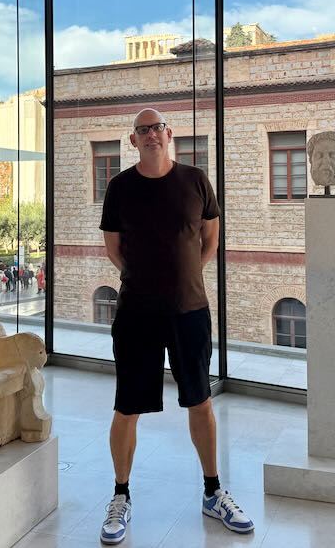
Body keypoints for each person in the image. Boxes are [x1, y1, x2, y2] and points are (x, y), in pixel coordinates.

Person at [97, 108, 253, 545]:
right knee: (127, 406)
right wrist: (145, 278)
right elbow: (114, 247)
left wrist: (183, 276)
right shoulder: (120, 188)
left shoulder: (196, 180)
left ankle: (212, 491)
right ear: (133, 141)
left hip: (190, 311)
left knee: (200, 401)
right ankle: (121, 496)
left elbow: (210, 238)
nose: (151, 135)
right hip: (136, 314)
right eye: (142, 130)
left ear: (170, 134)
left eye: (157, 128)